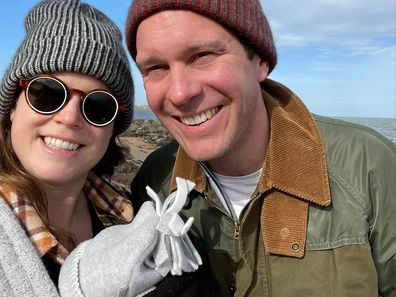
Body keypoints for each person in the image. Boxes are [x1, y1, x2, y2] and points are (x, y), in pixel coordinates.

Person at [125, 1, 396, 296]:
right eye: (156, 68)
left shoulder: (367, 166)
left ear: (260, 61)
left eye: (202, 56)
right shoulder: (156, 180)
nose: (179, 93)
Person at [0, 0, 135, 295]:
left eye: (98, 106)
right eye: (47, 93)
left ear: (112, 128)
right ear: (12, 106)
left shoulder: (134, 212)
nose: (70, 118)